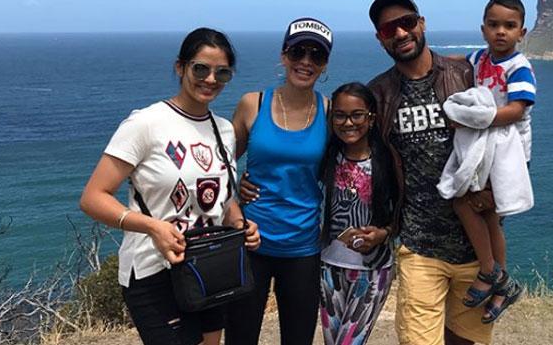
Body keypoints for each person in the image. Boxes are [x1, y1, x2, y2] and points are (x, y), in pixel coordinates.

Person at [80, 28, 260, 345]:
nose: (210, 79)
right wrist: (152, 227)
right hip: (153, 271)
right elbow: (93, 197)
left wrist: (238, 222)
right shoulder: (146, 124)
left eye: (222, 72)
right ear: (180, 67)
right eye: (200, 68)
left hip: (208, 266)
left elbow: (222, 195)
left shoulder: (224, 130)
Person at [367, 0, 493, 345]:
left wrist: (498, 196)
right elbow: (367, 161)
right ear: (381, 39)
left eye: (407, 22)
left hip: (474, 248)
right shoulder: (378, 94)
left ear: (421, 24)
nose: (401, 33)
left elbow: (505, 136)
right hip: (419, 250)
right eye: (389, 29)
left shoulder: (464, 73)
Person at [224, 18, 332, 345]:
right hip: (250, 242)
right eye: (298, 51)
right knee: (240, 338)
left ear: (325, 65)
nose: (306, 62)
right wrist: (233, 198)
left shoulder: (329, 111)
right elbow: (220, 167)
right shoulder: (252, 104)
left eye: (317, 55)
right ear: (284, 55)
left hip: (303, 247)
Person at [448, 0, 535, 323]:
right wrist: (427, 60)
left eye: (509, 26)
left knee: (481, 210)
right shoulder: (479, 58)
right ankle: (501, 284)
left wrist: (472, 118)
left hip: (509, 154)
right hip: (486, 149)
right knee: (478, 210)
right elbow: (453, 62)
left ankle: (491, 274)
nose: (501, 31)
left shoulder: (520, 67)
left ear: (522, 33)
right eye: (494, 25)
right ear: (483, 29)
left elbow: (515, 111)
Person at [319, 82, 397, 345]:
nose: (348, 122)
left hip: (373, 270)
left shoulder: (387, 160)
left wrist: (385, 233)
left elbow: (403, 210)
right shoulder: (326, 156)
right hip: (328, 267)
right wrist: (251, 185)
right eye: (339, 115)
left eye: (357, 115)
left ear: (371, 118)